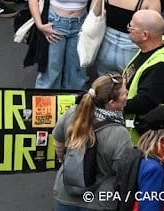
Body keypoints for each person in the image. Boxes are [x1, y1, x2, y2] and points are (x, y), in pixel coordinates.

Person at [51, 73, 133, 211]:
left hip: (65, 194)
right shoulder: (120, 134)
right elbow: (122, 171)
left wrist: (68, 161)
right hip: (98, 201)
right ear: (112, 103)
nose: (128, 96)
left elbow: (58, 143)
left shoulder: (73, 113)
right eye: (125, 93)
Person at [124, 9, 164, 126]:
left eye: (131, 27)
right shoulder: (161, 42)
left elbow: (145, 102)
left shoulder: (160, 67)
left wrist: (115, 105)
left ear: (145, 35)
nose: (128, 30)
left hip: (145, 133)